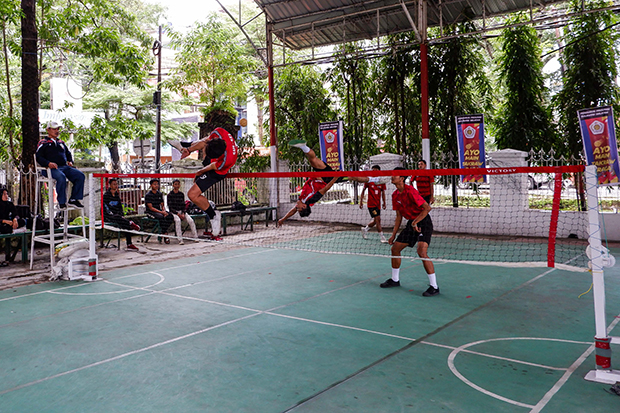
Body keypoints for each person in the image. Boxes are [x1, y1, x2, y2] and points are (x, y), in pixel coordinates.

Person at [171, 127, 238, 239]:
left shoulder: (227, 160)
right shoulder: (219, 132)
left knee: (192, 194)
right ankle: (184, 147)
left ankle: (214, 216)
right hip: (214, 156)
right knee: (203, 142)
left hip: (217, 172)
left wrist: (199, 172)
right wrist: (190, 150)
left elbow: (212, 166)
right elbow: (205, 141)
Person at [384, 167, 439, 297]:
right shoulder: (395, 195)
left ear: (402, 178)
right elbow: (398, 217)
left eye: (395, 175)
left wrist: (416, 222)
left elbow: (427, 208)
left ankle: (434, 287)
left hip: (423, 222)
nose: (392, 177)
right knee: (395, 249)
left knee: (421, 252)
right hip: (411, 224)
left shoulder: (411, 191)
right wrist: (393, 235)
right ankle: (395, 280)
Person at [35, 121, 85, 209]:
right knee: (61, 177)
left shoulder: (61, 142)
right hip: (50, 169)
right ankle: (61, 202)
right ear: (48, 130)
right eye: (54, 129)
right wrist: (48, 163)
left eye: (58, 129)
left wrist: (70, 161)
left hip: (64, 167)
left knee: (80, 175)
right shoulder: (43, 143)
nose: (56, 131)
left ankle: (74, 199)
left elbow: (68, 154)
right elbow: (38, 157)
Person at [102, 178, 141, 251]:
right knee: (122, 220)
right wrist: (113, 215)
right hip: (108, 216)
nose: (116, 186)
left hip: (118, 217)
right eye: (114, 184)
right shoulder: (106, 196)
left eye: (116, 184)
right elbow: (106, 209)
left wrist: (121, 214)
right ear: (109, 185)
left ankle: (129, 244)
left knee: (126, 225)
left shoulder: (117, 195)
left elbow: (120, 207)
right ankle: (130, 223)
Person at [360, 165, 387, 243]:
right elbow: (363, 191)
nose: (374, 171)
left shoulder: (381, 182)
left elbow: (383, 193)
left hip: (378, 204)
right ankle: (382, 237)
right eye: (373, 170)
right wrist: (361, 202)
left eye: (376, 170)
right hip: (371, 205)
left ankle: (365, 229)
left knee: (375, 220)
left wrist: (384, 202)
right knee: (378, 219)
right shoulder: (369, 180)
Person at [167, 179, 198, 244]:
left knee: (191, 220)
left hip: (182, 211)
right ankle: (180, 240)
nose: (177, 185)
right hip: (174, 213)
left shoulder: (181, 194)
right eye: (175, 184)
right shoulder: (170, 195)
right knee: (178, 221)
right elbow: (170, 207)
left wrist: (183, 213)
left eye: (178, 184)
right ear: (173, 185)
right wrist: (178, 214)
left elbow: (184, 205)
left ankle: (195, 237)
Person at [144, 179, 174, 244]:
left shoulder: (160, 194)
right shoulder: (148, 195)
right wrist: (161, 213)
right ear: (151, 185)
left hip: (159, 211)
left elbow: (162, 205)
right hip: (150, 212)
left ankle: (162, 232)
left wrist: (164, 211)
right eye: (154, 184)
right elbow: (151, 208)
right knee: (161, 217)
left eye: (157, 184)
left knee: (170, 216)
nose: (156, 185)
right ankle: (165, 235)